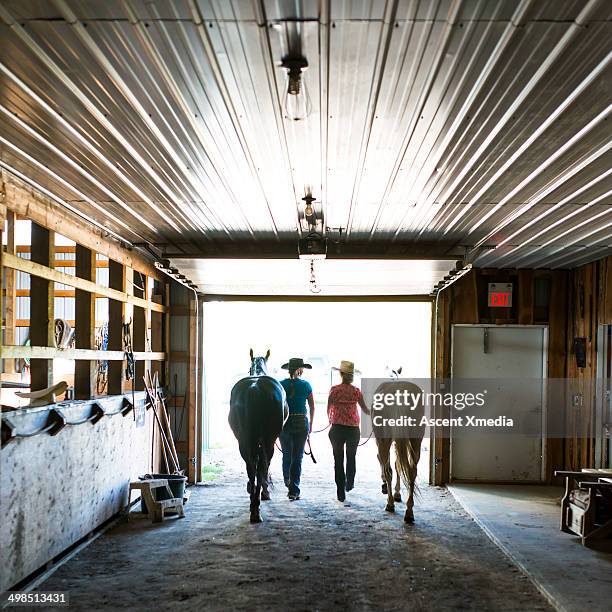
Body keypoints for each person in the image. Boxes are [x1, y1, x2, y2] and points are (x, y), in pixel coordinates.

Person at [327, 360, 371, 502]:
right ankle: (349, 483)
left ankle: (340, 489)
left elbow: (328, 408)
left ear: (341, 374)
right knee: (351, 457)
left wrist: (331, 418)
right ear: (351, 376)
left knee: (338, 459)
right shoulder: (356, 391)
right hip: (352, 429)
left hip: (337, 429)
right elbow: (365, 409)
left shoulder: (334, 390)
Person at [279, 357, 315, 501]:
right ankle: (294, 489)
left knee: (287, 454)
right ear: (300, 370)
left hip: (285, 423)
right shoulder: (306, 385)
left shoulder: (280, 385)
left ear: (288, 370)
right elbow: (312, 406)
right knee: (297, 456)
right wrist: (311, 424)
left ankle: (287, 480)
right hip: (301, 422)